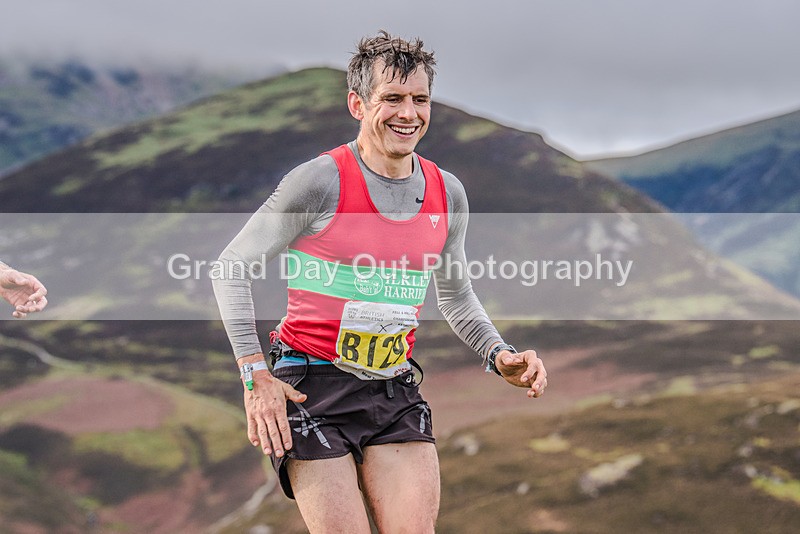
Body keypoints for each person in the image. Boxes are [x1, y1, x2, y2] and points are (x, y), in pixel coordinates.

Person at [213, 30, 547, 533]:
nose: (408, 113)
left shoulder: (447, 192)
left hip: (393, 387)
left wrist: (499, 354)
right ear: (357, 104)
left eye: (420, 99)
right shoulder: (319, 181)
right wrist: (254, 374)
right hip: (312, 388)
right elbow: (231, 267)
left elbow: (456, 296)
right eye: (392, 98)